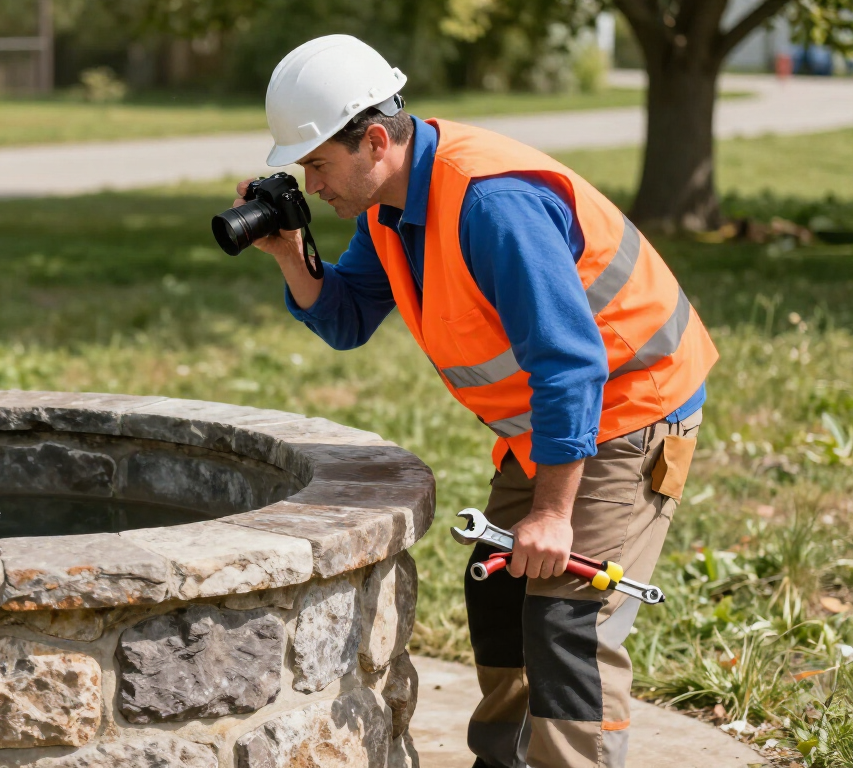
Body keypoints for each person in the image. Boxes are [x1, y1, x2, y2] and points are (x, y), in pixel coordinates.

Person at [238, 35, 717, 768]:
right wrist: (289, 252)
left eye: (317, 163)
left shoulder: (494, 203)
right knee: (497, 592)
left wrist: (554, 513)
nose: (313, 181)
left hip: (631, 412)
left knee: (565, 623)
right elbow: (345, 317)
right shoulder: (391, 204)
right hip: (558, 421)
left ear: (372, 141)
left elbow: (570, 362)